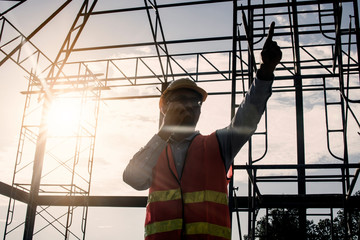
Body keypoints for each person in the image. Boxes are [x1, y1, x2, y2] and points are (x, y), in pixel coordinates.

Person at [123, 22, 282, 240]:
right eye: (181, 100)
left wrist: (265, 72)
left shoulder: (217, 145)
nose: (189, 106)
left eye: (195, 102)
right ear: (164, 107)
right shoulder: (155, 151)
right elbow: (133, 179)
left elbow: (248, 117)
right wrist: (163, 132)